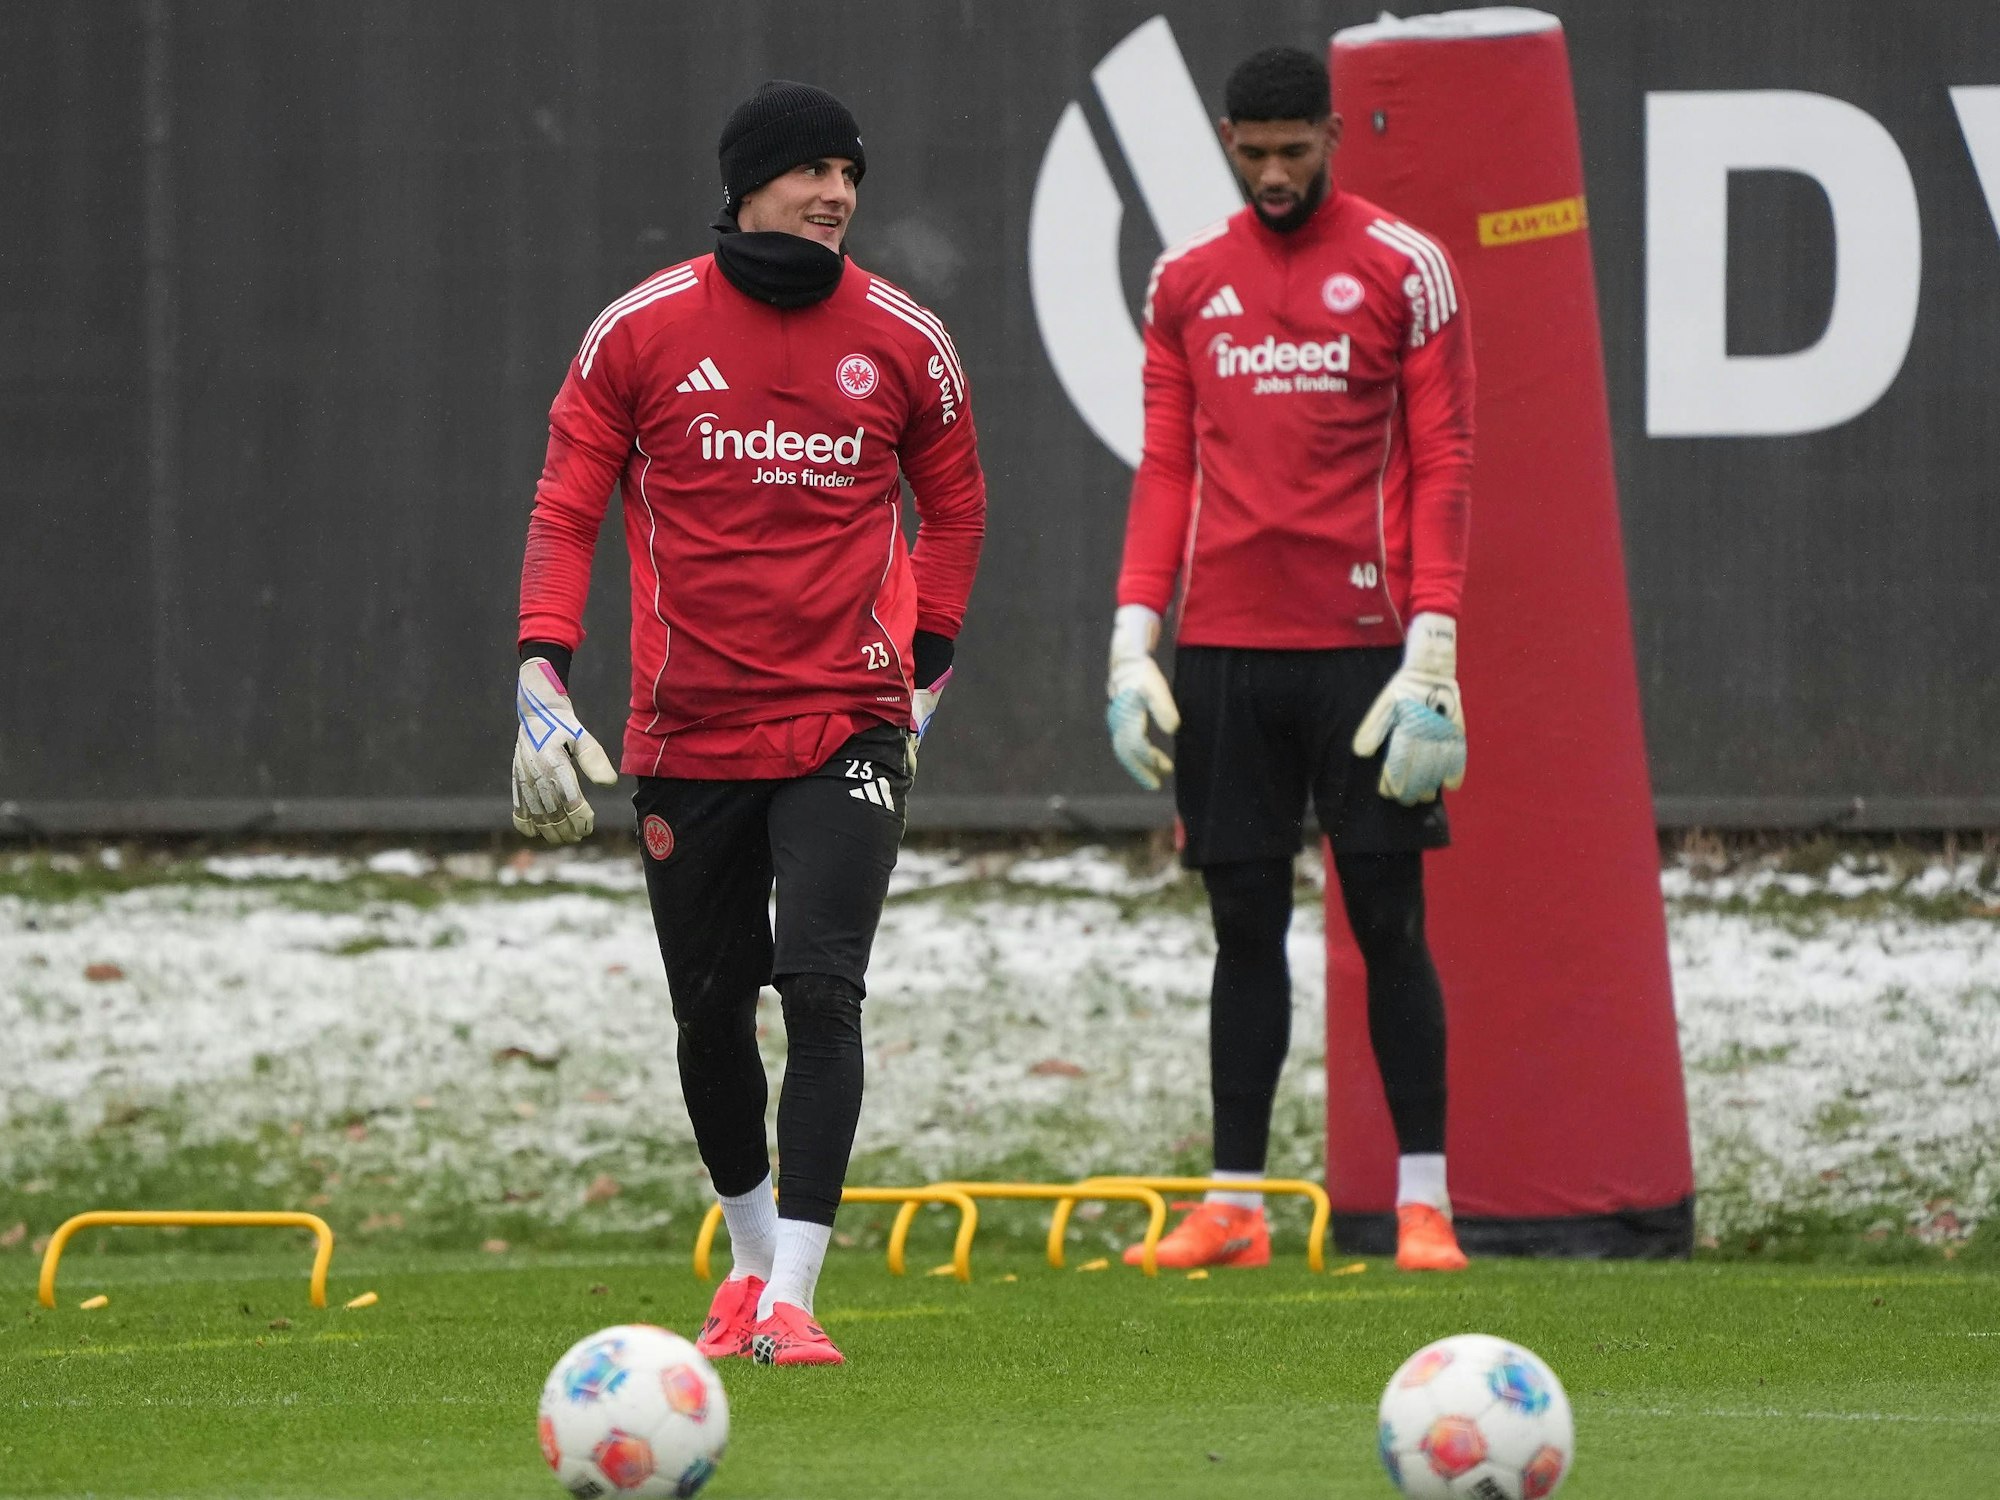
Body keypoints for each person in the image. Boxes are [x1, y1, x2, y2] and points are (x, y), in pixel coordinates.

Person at [511, 80, 986, 1365]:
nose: (836, 192)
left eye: (850, 172)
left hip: (845, 724)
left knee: (820, 995)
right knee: (708, 1013)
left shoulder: (904, 339)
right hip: (684, 734)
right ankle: (747, 1267)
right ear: (743, 187)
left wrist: (922, 670)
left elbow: (955, 510)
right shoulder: (638, 332)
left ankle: (798, 1301)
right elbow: (564, 509)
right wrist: (539, 676)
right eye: (809, 170)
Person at [1106, 46, 1473, 1273]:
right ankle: (1234, 1207)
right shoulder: (1182, 281)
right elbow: (1165, 469)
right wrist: (1130, 638)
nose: (1272, 172)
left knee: (1386, 919)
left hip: (1366, 657)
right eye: (1251, 150)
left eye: (1292, 149)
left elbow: (1445, 465)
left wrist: (1434, 644)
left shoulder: (1402, 269)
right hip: (1220, 655)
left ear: (1329, 134)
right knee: (1240, 924)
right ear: (1224, 137)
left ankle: (1423, 1202)